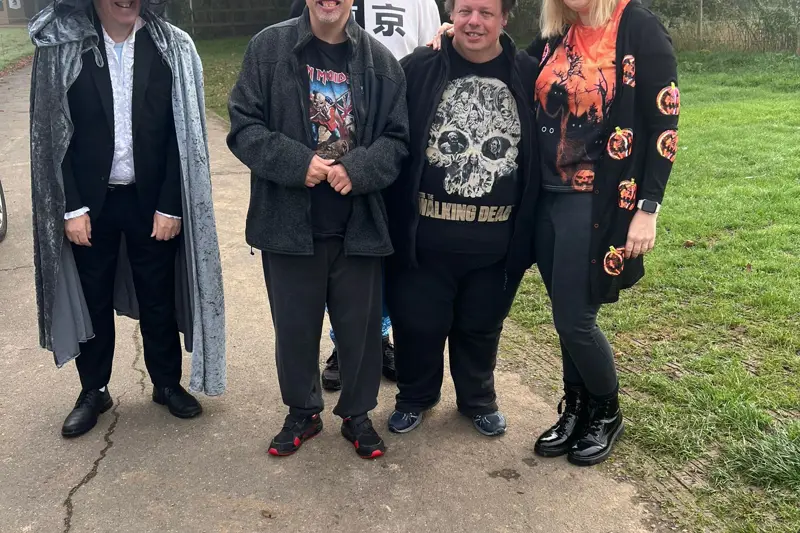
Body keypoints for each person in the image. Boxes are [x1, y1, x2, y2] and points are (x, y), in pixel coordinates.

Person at [430, 0, 679, 463]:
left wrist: (648, 208)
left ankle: (607, 411)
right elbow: (507, 61)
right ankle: (576, 408)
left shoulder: (637, 27)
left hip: (594, 200)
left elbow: (665, 124)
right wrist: (453, 38)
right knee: (564, 309)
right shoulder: (558, 33)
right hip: (544, 197)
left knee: (575, 320)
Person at [29, 0, 226, 439]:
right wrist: (71, 207)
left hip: (150, 200)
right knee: (93, 299)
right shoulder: (68, 49)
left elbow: (182, 134)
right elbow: (53, 136)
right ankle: (93, 390)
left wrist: (171, 205)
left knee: (158, 296)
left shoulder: (169, 47)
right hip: (90, 206)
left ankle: (166, 383)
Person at [227, 0, 409, 459]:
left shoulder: (381, 63)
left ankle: (358, 415)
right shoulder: (268, 50)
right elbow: (243, 126)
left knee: (361, 332)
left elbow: (397, 139)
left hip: (358, 226)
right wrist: (296, 163)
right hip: (288, 224)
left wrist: (358, 169)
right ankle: (302, 412)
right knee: (294, 329)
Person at [384, 0, 540, 437]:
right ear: (451, 15)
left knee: (481, 326)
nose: (474, 22)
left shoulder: (529, 75)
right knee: (417, 324)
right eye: (466, 10)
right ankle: (415, 396)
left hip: (497, 244)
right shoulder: (419, 68)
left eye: (486, 13)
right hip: (422, 240)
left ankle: (478, 399)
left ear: (504, 19)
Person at [289, 0, 442, 392]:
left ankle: (380, 337)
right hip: (326, 154)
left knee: (381, 256)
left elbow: (432, 50)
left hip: (389, 142)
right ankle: (343, 344)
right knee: (334, 257)